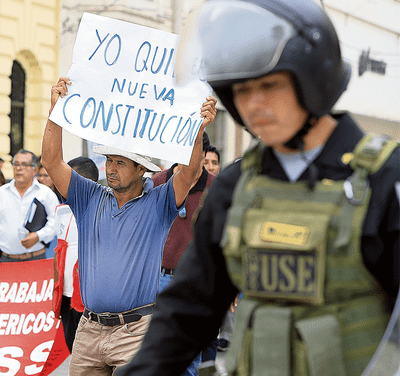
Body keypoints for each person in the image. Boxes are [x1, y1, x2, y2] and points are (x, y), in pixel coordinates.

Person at [118, 1, 399, 375]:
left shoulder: (383, 179)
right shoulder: (236, 186)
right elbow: (188, 310)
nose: (253, 104)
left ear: (315, 78)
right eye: (241, 89)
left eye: (270, 85)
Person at [41, 76, 217, 375]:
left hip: (135, 331)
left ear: (141, 169)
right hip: (89, 328)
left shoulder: (159, 202)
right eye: (109, 160)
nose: (110, 168)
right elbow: (52, 160)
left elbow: (189, 172)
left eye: (120, 162)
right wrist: (55, 112)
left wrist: (198, 128)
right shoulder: (88, 196)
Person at [150, 131, 216, 376]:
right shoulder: (156, 182)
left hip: (193, 283)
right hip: (152, 280)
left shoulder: (215, 188)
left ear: (203, 155)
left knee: (187, 357)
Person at [52, 156, 98, 353]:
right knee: (75, 353)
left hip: (89, 301)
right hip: (67, 298)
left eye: (67, 178)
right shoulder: (62, 210)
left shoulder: (100, 210)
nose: (61, 183)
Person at [0, 150, 59, 262]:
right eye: (16, 164)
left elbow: (56, 223)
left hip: (36, 259)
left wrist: (38, 236)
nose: (18, 168)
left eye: (24, 164)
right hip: (5, 260)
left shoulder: (46, 194)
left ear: (35, 169)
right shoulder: (0, 193)